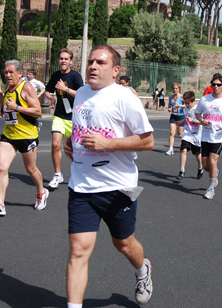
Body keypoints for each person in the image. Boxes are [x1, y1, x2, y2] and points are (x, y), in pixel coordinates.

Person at [63, 45, 155, 306]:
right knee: (78, 250)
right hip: (81, 186)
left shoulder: (124, 97)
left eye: (100, 63)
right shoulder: (80, 93)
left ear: (115, 71)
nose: (93, 66)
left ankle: (143, 270)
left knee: (124, 244)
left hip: (118, 187)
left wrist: (107, 144)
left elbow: (148, 142)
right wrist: (71, 141)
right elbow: (82, 127)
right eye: (91, 61)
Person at [0, 60, 48, 216]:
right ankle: (0, 204)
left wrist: (17, 108)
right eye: (6, 72)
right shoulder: (7, 87)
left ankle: (41, 192)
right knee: (1, 167)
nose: (7, 75)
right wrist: (3, 109)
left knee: (31, 169)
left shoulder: (26, 87)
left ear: (20, 73)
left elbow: (38, 111)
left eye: (11, 72)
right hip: (9, 134)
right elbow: (7, 104)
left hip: (27, 135)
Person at [43, 49, 84, 189]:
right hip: (59, 115)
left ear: (71, 61)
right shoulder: (55, 75)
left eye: (66, 59)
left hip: (74, 118)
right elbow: (47, 90)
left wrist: (65, 89)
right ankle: (57, 175)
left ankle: (80, 174)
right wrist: (51, 97)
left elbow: (81, 94)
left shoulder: (75, 76)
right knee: (55, 145)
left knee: (77, 150)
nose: (63, 61)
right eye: (61, 58)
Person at [195, 74, 222, 200]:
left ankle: (211, 188)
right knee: (206, 165)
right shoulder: (205, 99)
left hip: (219, 136)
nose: (216, 87)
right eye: (213, 84)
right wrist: (202, 120)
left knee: (213, 162)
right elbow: (197, 114)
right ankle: (215, 173)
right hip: (206, 135)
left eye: (218, 85)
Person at [176, 91, 203, 180]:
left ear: (193, 101)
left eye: (188, 103)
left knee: (197, 153)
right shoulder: (187, 108)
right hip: (187, 132)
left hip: (196, 134)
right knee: (183, 150)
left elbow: (203, 122)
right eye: (185, 103)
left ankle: (200, 167)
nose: (186, 105)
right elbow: (187, 116)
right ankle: (182, 170)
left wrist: (194, 120)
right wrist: (181, 121)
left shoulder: (198, 110)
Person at [166, 83, 185, 155]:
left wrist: (179, 105)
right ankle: (171, 149)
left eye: (176, 88)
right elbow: (169, 105)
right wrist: (169, 108)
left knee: (180, 134)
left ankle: (187, 142)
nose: (175, 90)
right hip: (173, 116)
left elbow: (186, 105)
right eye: (173, 88)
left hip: (180, 116)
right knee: (172, 132)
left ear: (179, 89)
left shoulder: (182, 97)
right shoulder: (171, 96)